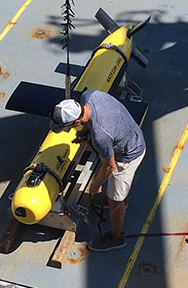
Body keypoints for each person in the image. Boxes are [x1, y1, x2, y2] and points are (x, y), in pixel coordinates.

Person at [50, 91, 146, 252]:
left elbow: (109, 167)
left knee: (116, 199)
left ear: (77, 121)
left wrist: (95, 185)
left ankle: (117, 236)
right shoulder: (90, 96)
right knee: (113, 191)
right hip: (130, 133)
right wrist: (87, 131)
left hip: (129, 155)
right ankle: (114, 198)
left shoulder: (100, 136)